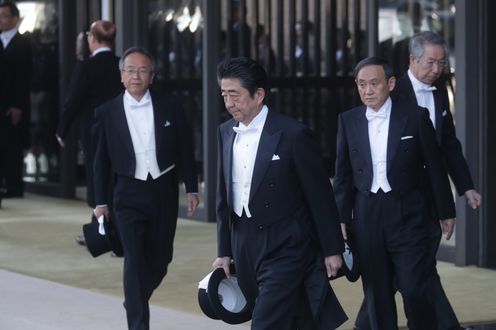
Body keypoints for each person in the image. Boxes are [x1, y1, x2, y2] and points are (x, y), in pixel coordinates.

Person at [212, 57, 347, 330]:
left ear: (259, 94)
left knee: (265, 322)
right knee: (296, 318)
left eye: (235, 94)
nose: (228, 102)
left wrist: (333, 249)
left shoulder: (293, 134)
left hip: (285, 243)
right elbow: (223, 198)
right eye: (224, 94)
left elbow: (320, 197)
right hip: (244, 242)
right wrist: (224, 251)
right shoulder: (225, 132)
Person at [333, 56, 456, 329]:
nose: (367, 91)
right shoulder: (348, 121)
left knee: (414, 287)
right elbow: (342, 176)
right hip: (367, 215)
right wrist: (340, 218)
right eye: (362, 85)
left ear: (390, 83)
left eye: (374, 84)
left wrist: (446, 211)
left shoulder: (414, 117)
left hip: (409, 213)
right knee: (376, 293)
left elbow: (434, 167)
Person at [93, 46, 199, 330]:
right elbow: (100, 160)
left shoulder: (170, 105)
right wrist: (100, 202)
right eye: (130, 70)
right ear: (121, 76)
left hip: (163, 188)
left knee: (162, 257)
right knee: (134, 258)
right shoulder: (107, 112)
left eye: (142, 71)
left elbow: (185, 148)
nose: (136, 76)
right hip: (126, 193)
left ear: (152, 76)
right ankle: (138, 323)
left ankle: (135, 297)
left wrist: (191, 187)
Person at [55, 20, 123, 245]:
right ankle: (101, 230)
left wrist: (62, 130)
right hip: (120, 129)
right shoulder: (121, 64)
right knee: (114, 178)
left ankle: (102, 234)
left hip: (93, 131)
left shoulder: (86, 66)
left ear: (92, 39)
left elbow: (73, 101)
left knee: (97, 179)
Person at [0, 1, 32, 201]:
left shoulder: (23, 43)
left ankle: (14, 186)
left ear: (14, 18)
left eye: (4, 16)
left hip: (15, 104)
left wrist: (18, 105)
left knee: (12, 145)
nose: (1, 20)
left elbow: (24, 77)